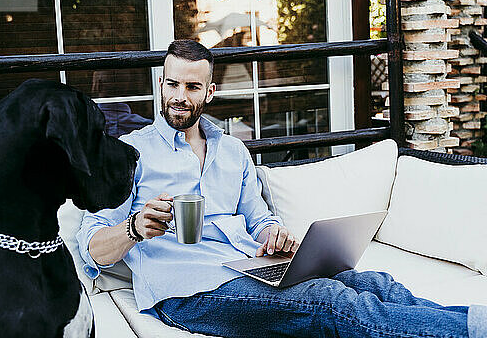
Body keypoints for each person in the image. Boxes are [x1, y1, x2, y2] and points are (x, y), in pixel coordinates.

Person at [77, 40, 486, 338]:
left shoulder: (233, 151)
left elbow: (259, 218)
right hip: (188, 289)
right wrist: (134, 227)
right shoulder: (129, 153)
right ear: (161, 84)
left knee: (372, 282)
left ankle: (473, 321)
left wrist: (273, 233)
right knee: (330, 302)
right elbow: (91, 245)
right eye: (172, 85)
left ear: (210, 92)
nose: (179, 98)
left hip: (246, 266)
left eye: (192, 87)